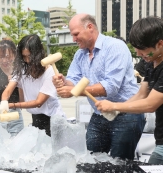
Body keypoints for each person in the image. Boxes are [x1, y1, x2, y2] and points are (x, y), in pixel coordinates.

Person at [52, 14, 145, 160]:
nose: (73, 39)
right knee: (89, 160)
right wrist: (63, 82)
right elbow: (73, 81)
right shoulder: (79, 55)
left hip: (126, 114)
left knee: (119, 164)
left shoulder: (115, 47)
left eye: (76, 34)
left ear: (90, 27)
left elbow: (110, 87)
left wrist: (74, 91)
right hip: (99, 115)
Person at [95, 16, 163, 164]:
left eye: (143, 50)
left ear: (160, 44)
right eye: (136, 49)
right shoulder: (150, 63)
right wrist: (117, 111)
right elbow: (142, 94)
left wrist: (113, 105)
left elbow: (150, 105)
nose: (138, 54)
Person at [0, 34, 65, 136]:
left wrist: (12, 105)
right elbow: (8, 90)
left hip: (53, 119)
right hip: (36, 117)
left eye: (30, 56)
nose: (27, 60)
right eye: (24, 56)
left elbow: (38, 102)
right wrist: (3, 102)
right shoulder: (22, 69)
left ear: (38, 54)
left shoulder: (49, 72)